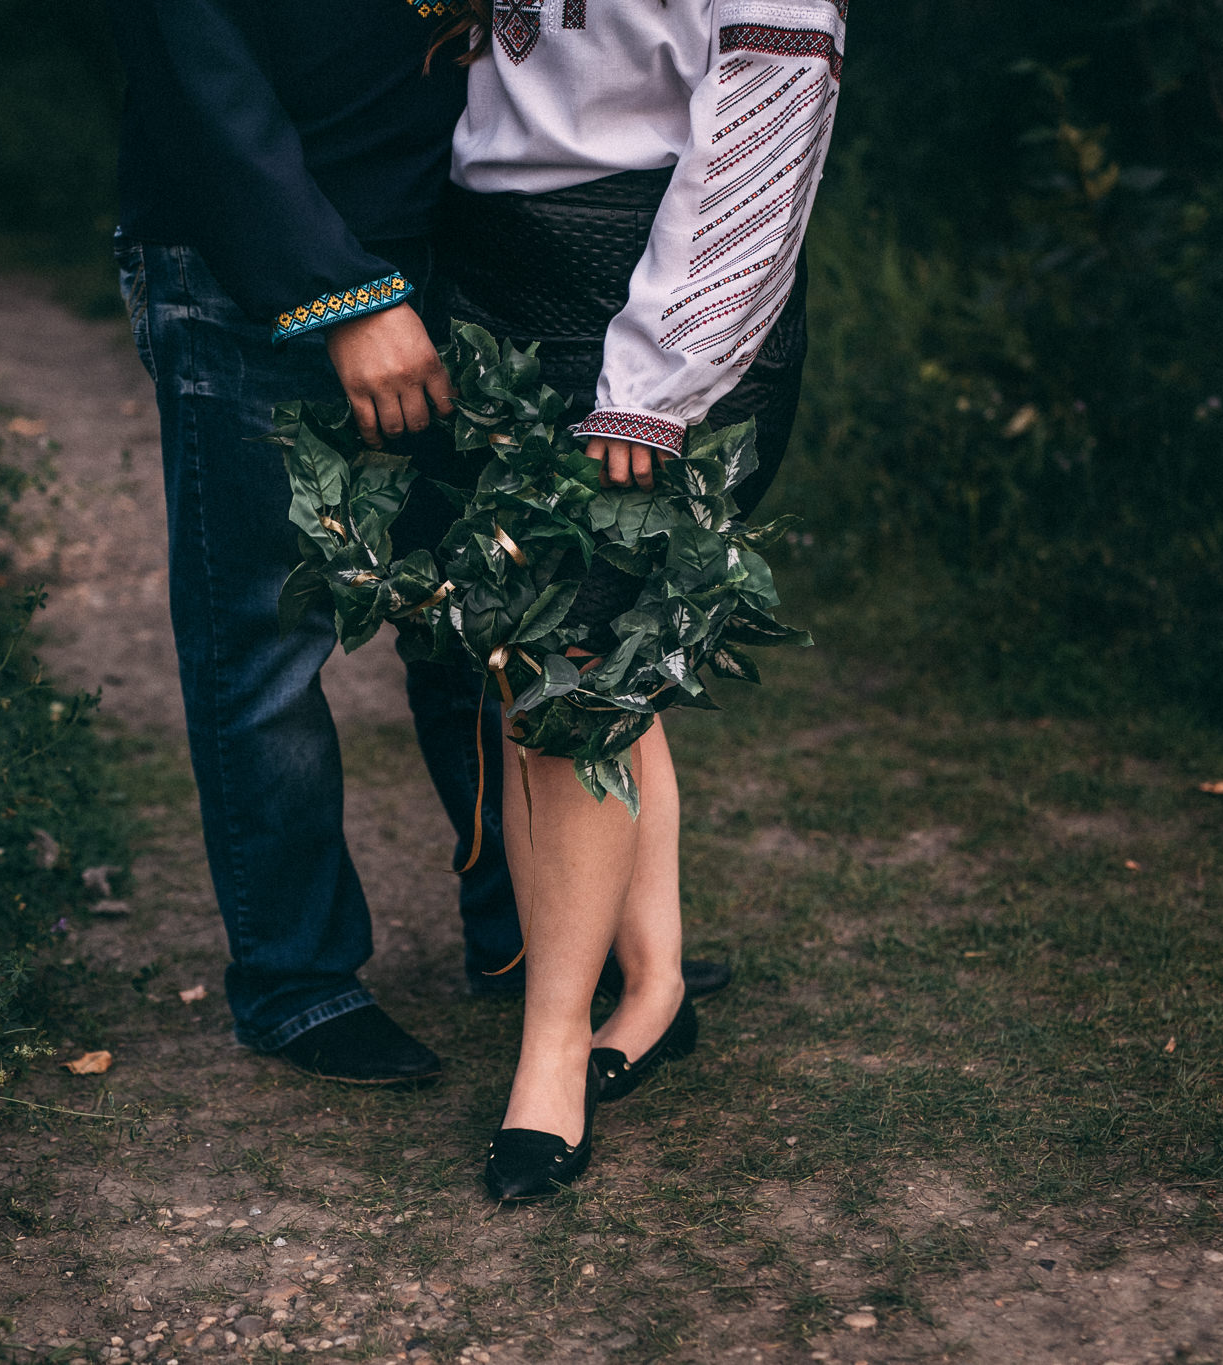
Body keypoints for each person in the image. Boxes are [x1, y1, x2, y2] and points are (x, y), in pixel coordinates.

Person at [103, 0, 734, 1089]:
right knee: (266, 644)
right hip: (253, 269)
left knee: (479, 618)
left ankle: (524, 930)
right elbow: (190, 68)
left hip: (451, 250)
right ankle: (298, 982)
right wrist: (333, 294)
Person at [432, 0, 848, 1199]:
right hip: (493, 276)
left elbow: (766, 125)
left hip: (640, 295)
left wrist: (653, 380)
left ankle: (551, 1057)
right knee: (575, 656)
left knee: (564, 677)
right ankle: (654, 989)